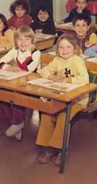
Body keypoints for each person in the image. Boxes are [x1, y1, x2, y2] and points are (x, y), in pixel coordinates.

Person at [37, 34, 89, 166]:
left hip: (77, 99)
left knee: (63, 115)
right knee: (47, 112)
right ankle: (49, 147)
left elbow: (85, 79)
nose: (64, 50)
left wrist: (70, 80)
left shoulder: (78, 61)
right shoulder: (57, 60)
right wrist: (51, 77)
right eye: (61, 47)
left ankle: (60, 149)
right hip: (61, 96)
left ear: (75, 48)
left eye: (68, 47)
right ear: (57, 49)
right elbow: (43, 71)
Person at [0, 26, 41, 140]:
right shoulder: (15, 50)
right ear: (16, 41)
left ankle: (17, 122)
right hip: (18, 80)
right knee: (2, 92)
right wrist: (8, 67)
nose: (23, 42)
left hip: (34, 83)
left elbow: (28, 69)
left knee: (17, 95)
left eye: (27, 39)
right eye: (20, 39)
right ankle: (12, 123)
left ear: (32, 41)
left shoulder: (36, 53)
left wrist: (29, 52)